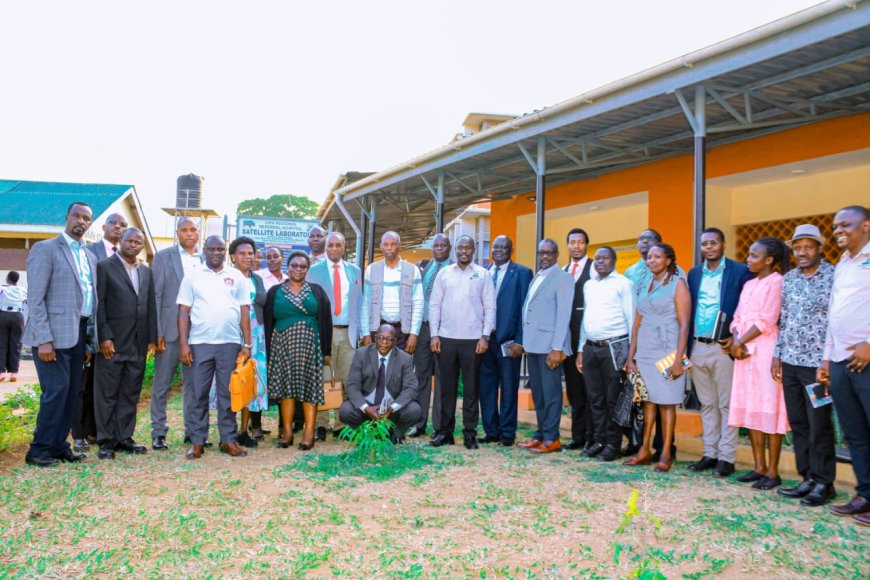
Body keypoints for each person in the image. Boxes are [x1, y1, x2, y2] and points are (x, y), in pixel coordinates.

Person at [22, 201, 97, 467]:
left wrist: (88, 340)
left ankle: (58, 445)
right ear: (66, 217)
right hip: (51, 335)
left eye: (86, 218)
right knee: (55, 391)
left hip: (78, 334)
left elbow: (87, 301)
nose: (81, 221)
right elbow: (36, 297)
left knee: (70, 392)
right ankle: (39, 449)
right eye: (76, 216)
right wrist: (44, 339)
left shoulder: (89, 256)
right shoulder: (46, 249)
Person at [772, 224, 836, 506]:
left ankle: (824, 483)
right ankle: (807, 477)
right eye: (797, 248)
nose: (802, 253)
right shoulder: (789, 279)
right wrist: (777, 354)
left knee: (819, 423)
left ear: (819, 249)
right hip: (791, 362)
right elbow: (784, 320)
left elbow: (837, 320)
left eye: (808, 247)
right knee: (798, 422)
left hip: (818, 366)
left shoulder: (834, 276)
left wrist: (829, 360)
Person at [177, 235, 252, 459]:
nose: (216, 253)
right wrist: (183, 343)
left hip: (229, 343)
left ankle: (228, 440)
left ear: (226, 252)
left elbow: (244, 311)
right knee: (198, 393)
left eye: (220, 249)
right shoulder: (193, 276)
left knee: (227, 394)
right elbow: (183, 311)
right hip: (199, 343)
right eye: (212, 249)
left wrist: (247, 344)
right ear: (204, 250)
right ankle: (198, 441)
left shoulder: (236, 276)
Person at [686, 227, 753, 478]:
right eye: (705, 244)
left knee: (726, 404)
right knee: (707, 404)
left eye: (714, 243)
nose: (709, 247)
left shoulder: (739, 271)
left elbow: (748, 307)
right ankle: (709, 453)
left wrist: (736, 337)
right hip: (698, 346)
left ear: (723, 244)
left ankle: (727, 458)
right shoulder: (694, 274)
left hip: (723, 347)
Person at [818, 205, 870, 524]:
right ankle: (865, 495)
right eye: (835, 226)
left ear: (866, 226)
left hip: (866, 360)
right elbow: (834, 312)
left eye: (845, 225)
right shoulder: (842, 263)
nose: (838, 231)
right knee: (857, 435)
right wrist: (826, 357)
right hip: (840, 360)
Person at [727, 237, 790, 490]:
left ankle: (773, 472)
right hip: (743, 353)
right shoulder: (749, 284)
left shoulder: (777, 282)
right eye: (749, 255)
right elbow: (737, 317)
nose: (748, 260)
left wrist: (739, 342)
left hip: (765, 351)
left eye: (754, 255)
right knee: (752, 407)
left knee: (769, 408)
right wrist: (735, 341)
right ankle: (759, 467)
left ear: (769, 260)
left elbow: (767, 319)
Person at [624, 243, 690, 473]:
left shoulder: (677, 284)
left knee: (667, 402)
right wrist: (630, 356)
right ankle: (644, 450)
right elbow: (636, 323)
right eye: (649, 257)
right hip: (645, 350)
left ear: (669, 260)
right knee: (648, 400)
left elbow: (684, 326)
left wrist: (678, 359)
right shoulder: (645, 284)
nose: (651, 260)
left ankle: (664, 453)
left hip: (667, 350)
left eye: (657, 257)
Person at [93, 228, 157, 460]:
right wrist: (104, 337)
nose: (134, 245)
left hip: (138, 343)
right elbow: (99, 304)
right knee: (107, 393)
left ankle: (124, 437)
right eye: (129, 240)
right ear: (120, 241)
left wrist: (151, 338)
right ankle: (106, 441)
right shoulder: (104, 266)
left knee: (130, 392)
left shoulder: (146, 272)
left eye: (138, 242)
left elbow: (150, 305)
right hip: (112, 343)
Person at [428, 235, 496, 450]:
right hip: (446, 338)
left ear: (473, 250)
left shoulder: (483, 274)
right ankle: (445, 432)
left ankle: (469, 433)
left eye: (467, 248)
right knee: (446, 389)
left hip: (473, 340)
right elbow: (434, 305)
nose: (463, 251)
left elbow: (490, 308)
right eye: (460, 248)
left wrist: (485, 336)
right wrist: (434, 335)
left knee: (471, 390)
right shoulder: (444, 274)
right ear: (455, 250)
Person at [264, 251, 333, 451]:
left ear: (307, 269)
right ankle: (286, 430)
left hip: (310, 345)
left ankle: (309, 430)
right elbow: (269, 322)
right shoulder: (275, 292)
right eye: (294, 265)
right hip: (282, 345)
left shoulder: (317, 291)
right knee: (285, 388)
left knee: (310, 387)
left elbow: (326, 321)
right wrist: (268, 350)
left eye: (303, 266)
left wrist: (326, 350)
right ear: (288, 266)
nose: (298, 269)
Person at [72, 213, 128, 452]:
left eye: (123, 225)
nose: (118, 227)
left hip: (115, 333)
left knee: (103, 385)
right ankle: (80, 433)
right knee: (83, 384)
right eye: (114, 223)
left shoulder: (128, 256)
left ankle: (98, 430)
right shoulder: (90, 251)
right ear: (103, 226)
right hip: (89, 328)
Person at [576, 247, 635, 462]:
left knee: (613, 399)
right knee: (595, 398)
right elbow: (586, 319)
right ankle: (598, 440)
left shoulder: (623, 284)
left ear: (614, 260)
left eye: (605, 258)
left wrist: (630, 355)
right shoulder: (589, 285)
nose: (600, 262)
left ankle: (613, 444)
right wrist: (582, 348)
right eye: (597, 258)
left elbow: (631, 319)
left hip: (615, 346)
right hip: (591, 347)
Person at [516, 238, 573, 454]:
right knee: (538, 393)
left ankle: (552, 438)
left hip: (550, 347)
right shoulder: (537, 277)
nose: (545, 256)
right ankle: (541, 434)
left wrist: (557, 347)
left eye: (549, 253)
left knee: (551, 394)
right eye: (542, 253)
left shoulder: (563, 278)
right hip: (533, 345)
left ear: (557, 254)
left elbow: (563, 315)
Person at [150, 217, 202, 451]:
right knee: (162, 384)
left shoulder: (205, 259)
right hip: (170, 331)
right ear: (177, 232)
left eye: (193, 229)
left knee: (193, 386)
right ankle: (158, 432)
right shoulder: (164, 257)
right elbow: (157, 295)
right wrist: (157, 331)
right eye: (184, 230)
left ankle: (192, 431)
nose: (189, 233)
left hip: (199, 332)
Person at [306, 232, 363, 440]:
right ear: (326, 246)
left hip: (348, 332)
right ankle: (320, 424)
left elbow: (360, 303)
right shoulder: (313, 271)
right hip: (323, 333)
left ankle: (341, 424)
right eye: (331, 245)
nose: (334, 249)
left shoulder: (355, 271)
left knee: (345, 379)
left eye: (338, 245)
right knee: (323, 378)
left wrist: (364, 333)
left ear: (344, 247)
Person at [479, 235, 533, 447]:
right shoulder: (484, 272)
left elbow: (524, 309)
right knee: (487, 387)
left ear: (512, 250)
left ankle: (507, 432)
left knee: (509, 388)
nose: (499, 250)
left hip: (509, 341)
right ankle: (491, 430)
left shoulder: (522, 273)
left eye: (504, 247)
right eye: (495, 247)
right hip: (485, 340)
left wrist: (520, 341)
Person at [339, 324, 421, 441]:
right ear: (375, 338)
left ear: (395, 342)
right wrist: (366, 408)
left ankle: (394, 435)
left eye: (389, 339)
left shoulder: (405, 359)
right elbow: (352, 386)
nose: (384, 342)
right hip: (367, 407)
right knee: (345, 410)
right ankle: (366, 436)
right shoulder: (361, 354)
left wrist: (392, 408)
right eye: (381, 337)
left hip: (391, 409)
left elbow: (411, 388)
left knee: (414, 410)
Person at [409, 233, 451, 438]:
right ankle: (419, 423)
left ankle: (439, 426)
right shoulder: (426, 267)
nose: (439, 248)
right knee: (421, 377)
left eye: (443, 245)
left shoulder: (453, 270)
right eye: (436, 245)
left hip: (444, 330)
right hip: (424, 329)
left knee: (442, 379)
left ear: (449, 247)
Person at [228, 237, 268, 447]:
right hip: (233, 334)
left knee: (250, 382)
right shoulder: (226, 277)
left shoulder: (257, 278)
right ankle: (228, 431)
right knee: (233, 381)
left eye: (250, 253)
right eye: (242, 253)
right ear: (233, 256)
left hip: (257, 337)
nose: (247, 257)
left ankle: (244, 431)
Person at [359, 231, 424, 352]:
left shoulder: (412, 270)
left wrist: (414, 334)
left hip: (403, 331)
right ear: (381, 246)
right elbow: (365, 303)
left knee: (400, 368)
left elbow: (418, 303)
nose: (389, 248)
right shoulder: (371, 270)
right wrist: (366, 333)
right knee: (377, 368)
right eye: (386, 244)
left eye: (393, 244)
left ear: (400, 246)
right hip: (378, 329)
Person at [562, 228, 595, 451]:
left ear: (586, 245)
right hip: (568, 340)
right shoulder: (564, 271)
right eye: (572, 242)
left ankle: (593, 437)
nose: (576, 246)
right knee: (574, 391)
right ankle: (578, 436)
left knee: (590, 389)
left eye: (580, 242)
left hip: (588, 338)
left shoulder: (594, 268)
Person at [0, 271, 26, 382]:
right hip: (18, 316)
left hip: (3, 315)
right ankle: (14, 372)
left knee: (2, 343)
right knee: (16, 344)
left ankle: (1, 372)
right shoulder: (23, 290)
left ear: (7, 279)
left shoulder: (2, 289)